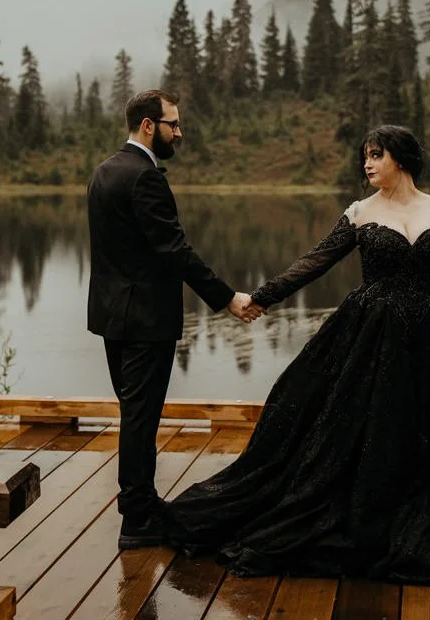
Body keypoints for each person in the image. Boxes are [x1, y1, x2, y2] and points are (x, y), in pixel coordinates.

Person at [165, 124, 430, 583]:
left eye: (375, 155)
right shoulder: (361, 213)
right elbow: (315, 261)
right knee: (367, 424)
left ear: (400, 158)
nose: (366, 164)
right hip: (374, 333)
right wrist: (264, 297)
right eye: (364, 157)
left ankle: (424, 503)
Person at [87, 89, 262, 549]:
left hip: (111, 317)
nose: (178, 133)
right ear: (149, 125)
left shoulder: (103, 172)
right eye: (173, 124)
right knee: (141, 419)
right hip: (145, 320)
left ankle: (140, 506)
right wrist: (227, 298)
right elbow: (174, 250)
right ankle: (138, 519)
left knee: (134, 414)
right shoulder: (145, 178)